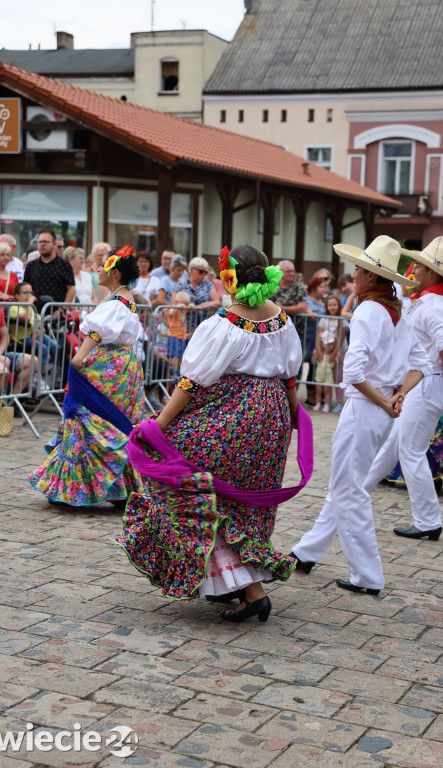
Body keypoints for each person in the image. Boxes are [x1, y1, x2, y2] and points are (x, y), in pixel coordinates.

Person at [115, 245, 302, 622]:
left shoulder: (223, 323)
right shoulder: (282, 318)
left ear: (229, 279)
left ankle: (253, 591)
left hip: (234, 416)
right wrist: (294, 418)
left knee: (195, 483)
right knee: (245, 500)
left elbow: (192, 383)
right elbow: (290, 376)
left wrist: (157, 426)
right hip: (272, 417)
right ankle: (232, 581)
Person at [290, 235, 430, 595]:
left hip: (367, 407)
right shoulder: (399, 310)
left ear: (370, 276)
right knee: (343, 484)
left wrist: (387, 400)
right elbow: (419, 365)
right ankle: (307, 551)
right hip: (380, 407)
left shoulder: (369, 310)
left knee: (350, 490)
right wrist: (397, 395)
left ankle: (367, 576)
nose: (353, 275)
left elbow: (353, 372)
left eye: (358, 270)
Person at [363, 236, 443, 540]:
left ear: (432, 273)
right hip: (437, 382)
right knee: (398, 443)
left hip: (431, 382)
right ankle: (360, 491)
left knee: (411, 451)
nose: (415, 270)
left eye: (422, 266)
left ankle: (427, 520)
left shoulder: (434, 303)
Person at [27, 246, 145, 507]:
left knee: (87, 417)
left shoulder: (117, 302)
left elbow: (96, 333)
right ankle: (119, 487)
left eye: (103, 266)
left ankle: (72, 488)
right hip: (124, 367)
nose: (99, 270)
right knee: (114, 422)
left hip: (107, 367)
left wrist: (79, 358)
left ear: (115, 273)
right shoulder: (126, 298)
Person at [24, 230, 76, 310]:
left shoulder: (64, 265)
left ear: (54, 244)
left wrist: (63, 309)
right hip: (34, 313)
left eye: (46, 242)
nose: (42, 244)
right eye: (40, 242)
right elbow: (25, 288)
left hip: (57, 315)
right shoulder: (31, 265)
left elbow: (71, 288)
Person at [313, 294, 347, 413]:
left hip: (339, 351)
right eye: (330, 305)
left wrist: (334, 353)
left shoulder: (342, 321)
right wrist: (318, 350)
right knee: (328, 377)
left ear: (338, 306)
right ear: (327, 307)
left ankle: (339, 402)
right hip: (324, 351)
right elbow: (319, 335)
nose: (332, 307)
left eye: (334, 305)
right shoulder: (324, 319)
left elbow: (341, 338)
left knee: (338, 376)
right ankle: (328, 402)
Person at [304, 276, 327, 405]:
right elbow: (307, 311)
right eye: (321, 287)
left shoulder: (322, 303)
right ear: (313, 288)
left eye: (325, 286)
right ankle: (310, 396)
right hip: (310, 340)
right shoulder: (309, 302)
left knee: (317, 368)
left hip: (322, 341)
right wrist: (309, 313)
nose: (325, 289)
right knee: (311, 368)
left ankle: (319, 396)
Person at [166, 291, 193, 376]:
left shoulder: (183, 310)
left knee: (181, 355)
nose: (185, 306)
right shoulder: (173, 308)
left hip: (182, 337)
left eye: (186, 304)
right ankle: (174, 371)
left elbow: (191, 308)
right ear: (176, 302)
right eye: (184, 304)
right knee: (176, 355)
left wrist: (190, 305)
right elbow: (171, 313)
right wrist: (177, 307)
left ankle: (179, 370)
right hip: (174, 336)